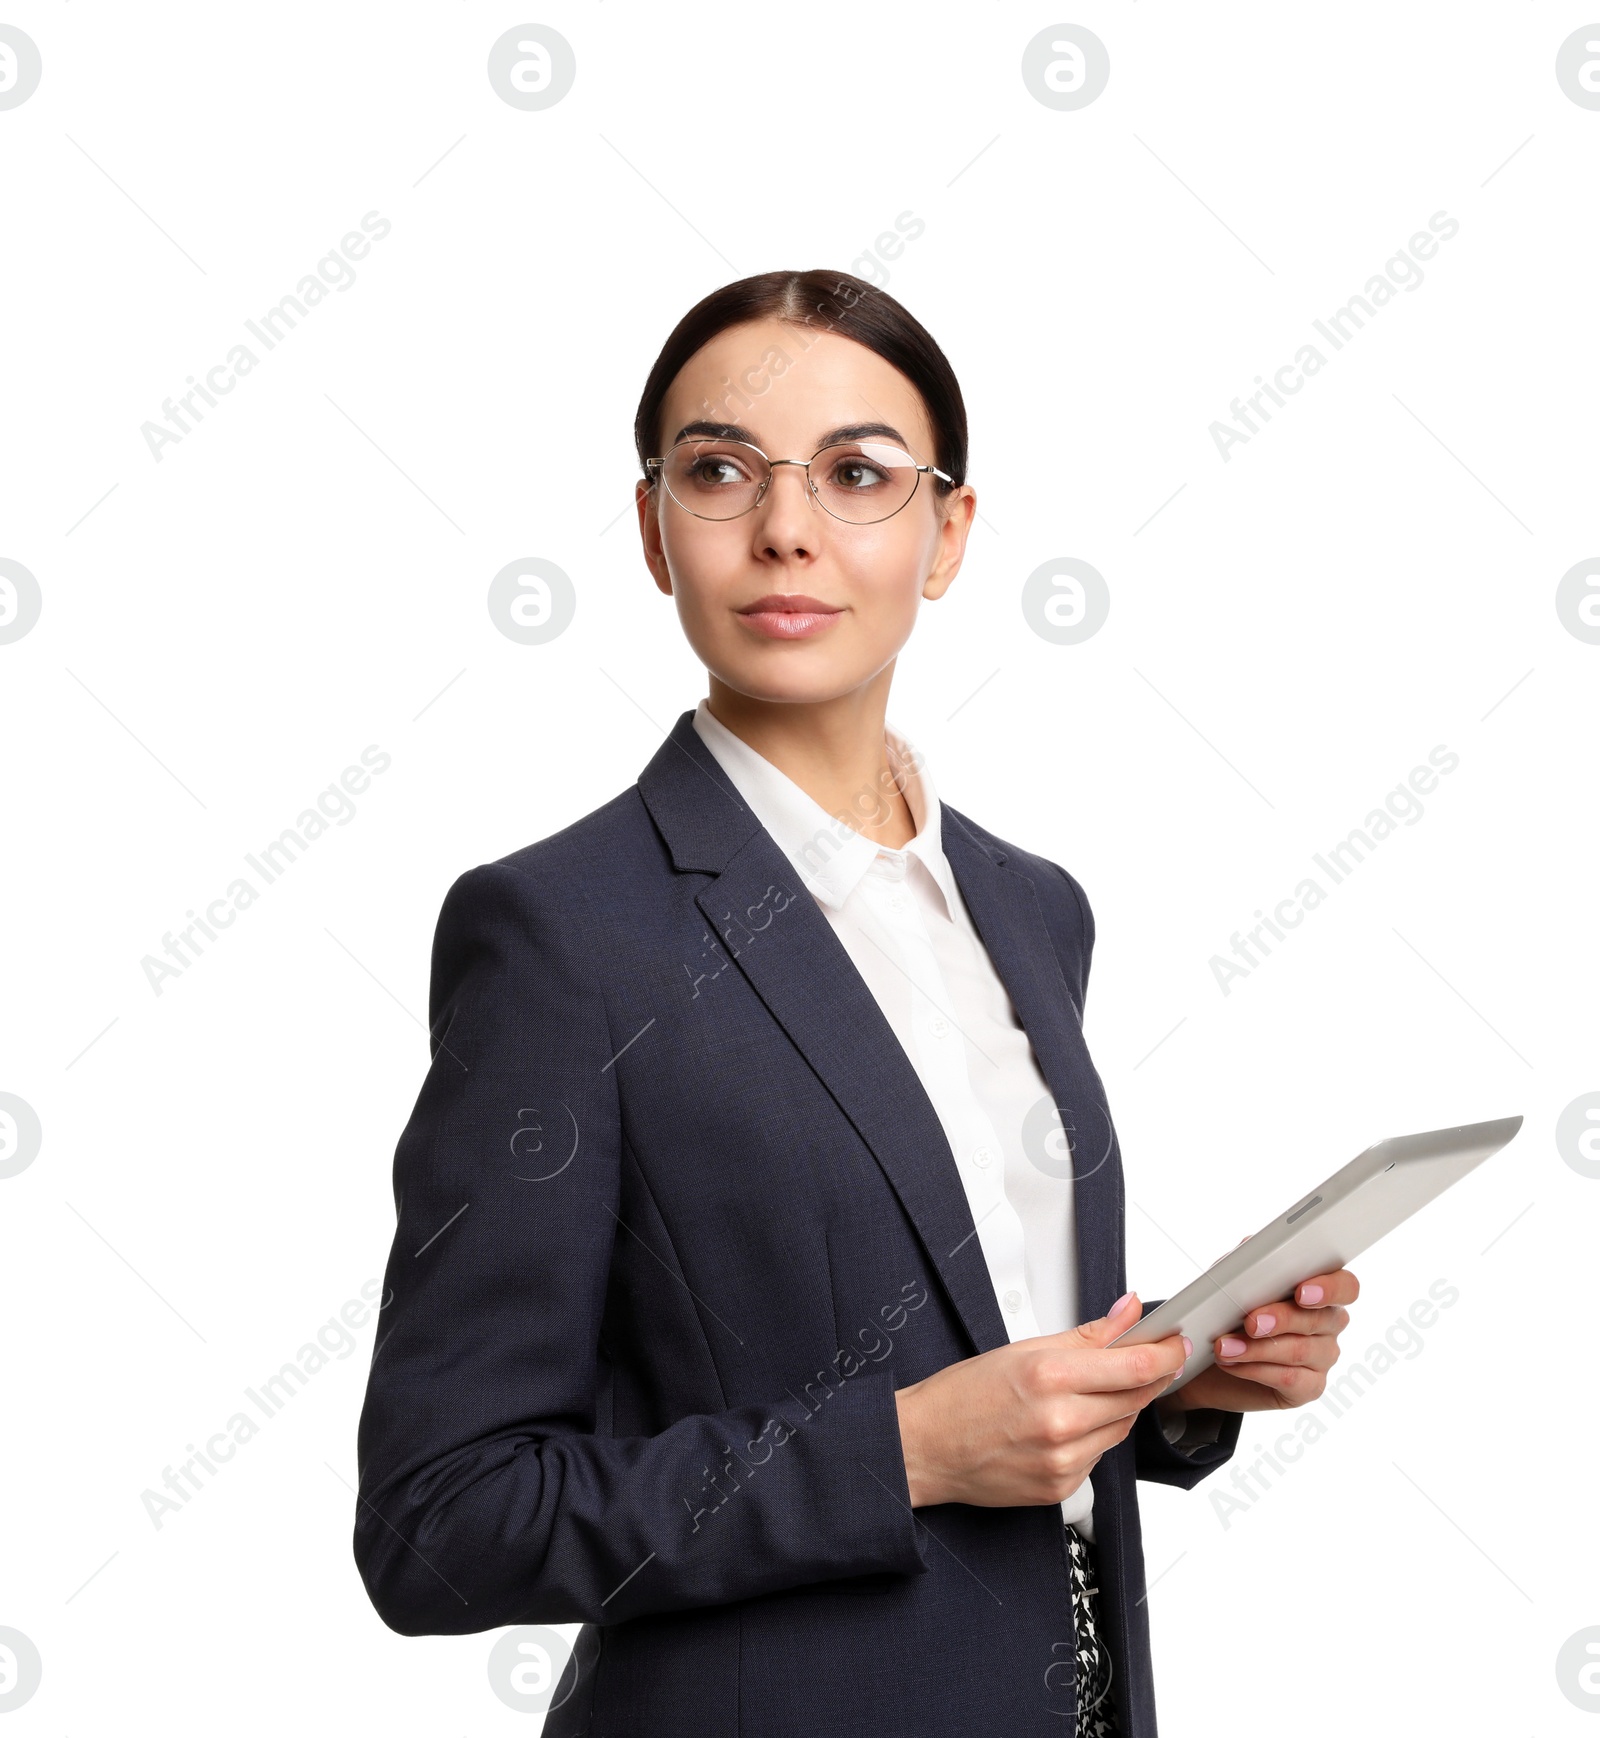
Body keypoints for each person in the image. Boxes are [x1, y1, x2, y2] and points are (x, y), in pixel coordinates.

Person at [351, 269, 1359, 1737]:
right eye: (719, 472)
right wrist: (899, 1453)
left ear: (948, 533)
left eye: (859, 474)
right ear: (653, 531)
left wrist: (1182, 1377)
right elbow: (445, 1518)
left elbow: (989, 1347)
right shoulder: (560, 933)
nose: (787, 527)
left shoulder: (1032, 905)